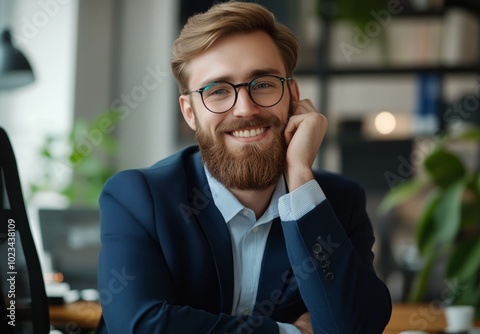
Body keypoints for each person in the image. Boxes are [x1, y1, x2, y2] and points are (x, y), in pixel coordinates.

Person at [97, 1, 392, 333]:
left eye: (263, 84)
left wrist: (299, 176)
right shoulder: (138, 198)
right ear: (190, 112)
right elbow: (139, 326)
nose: (244, 108)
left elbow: (355, 327)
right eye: (218, 91)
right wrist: (288, 332)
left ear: (293, 96)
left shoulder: (336, 203)